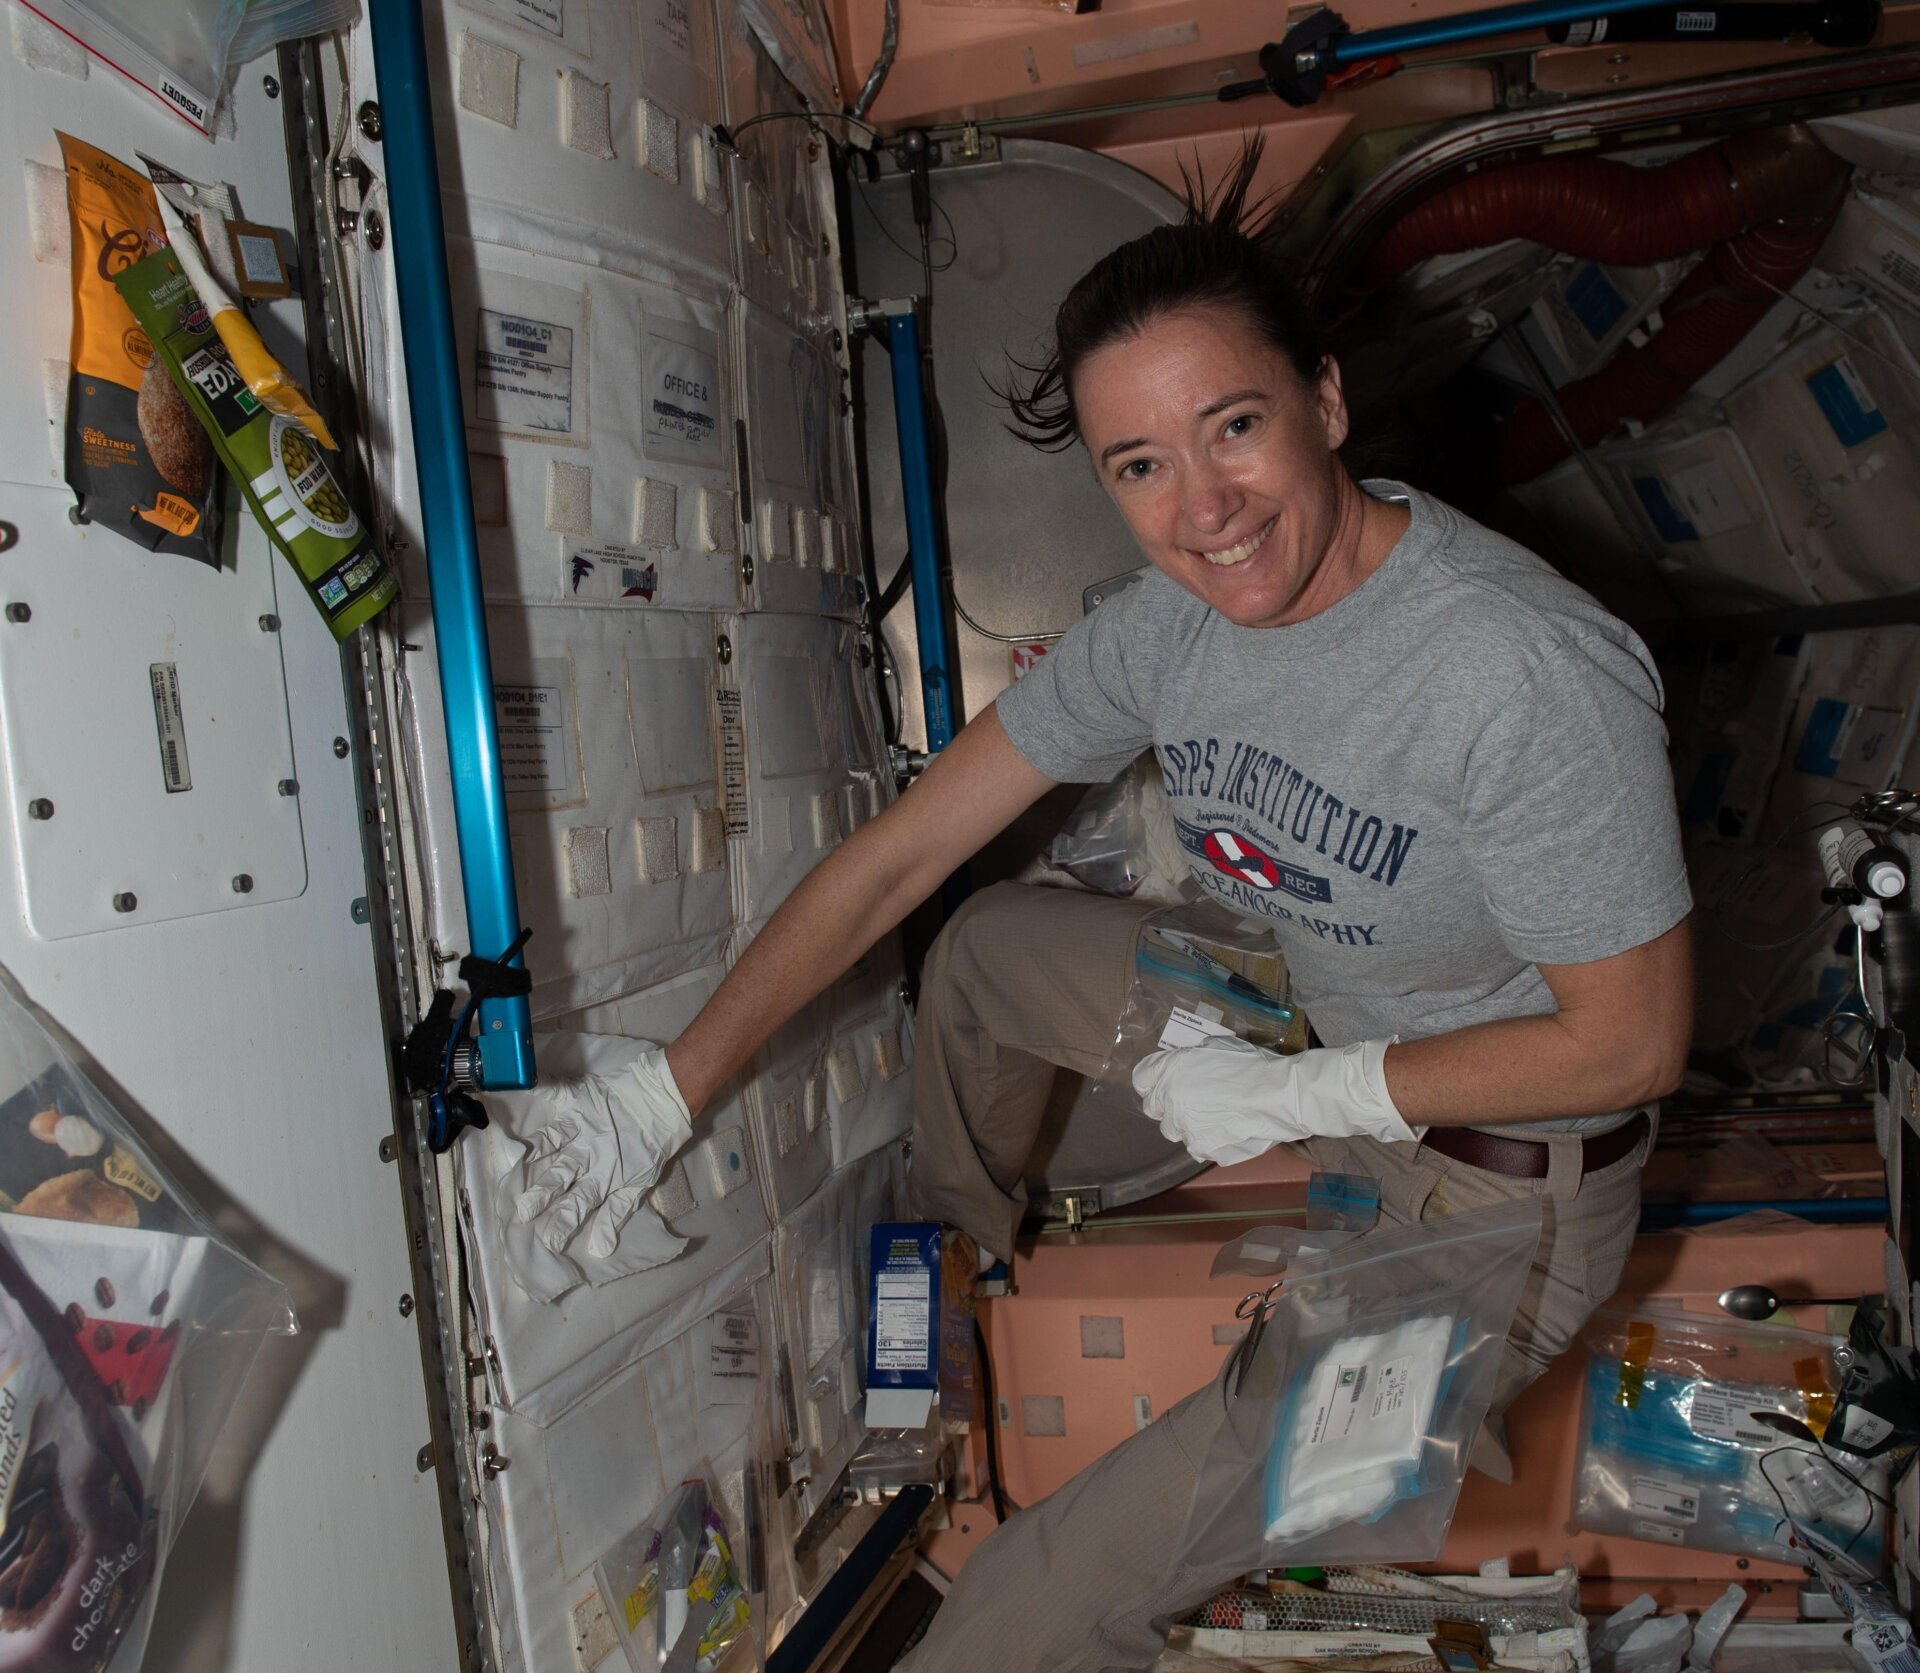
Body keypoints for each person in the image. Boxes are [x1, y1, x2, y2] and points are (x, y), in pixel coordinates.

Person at [518, 147, 1694, 1669]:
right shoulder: (1168, 633)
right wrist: (658, 1096)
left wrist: (1305, 1094)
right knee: (987, 956)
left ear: (1326, 402)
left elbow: (1629, 1044)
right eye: (1139, 464)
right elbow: (899, 858)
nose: (1203, 509)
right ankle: (961, 1265)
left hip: (1495, 1201)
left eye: (1234, 427)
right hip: (1319, 1019)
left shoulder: (1520, 669)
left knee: (1033, 1602)